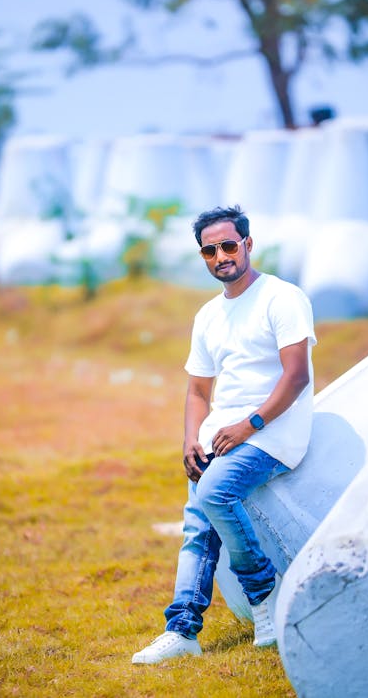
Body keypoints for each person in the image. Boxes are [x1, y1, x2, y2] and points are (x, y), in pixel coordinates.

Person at [132, 205, 316, 665]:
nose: (221, 256)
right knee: (196, 530)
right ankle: (182, 631)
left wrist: (249, 425)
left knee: (214, 492)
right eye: (210, 250)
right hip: (221, 436)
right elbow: (197, 389)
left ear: (248, 245)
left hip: (273, 432)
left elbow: (295, 377)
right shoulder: (209, 315)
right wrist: (190, 438)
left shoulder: (282, 298)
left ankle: (262, 591)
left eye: (229, 245)